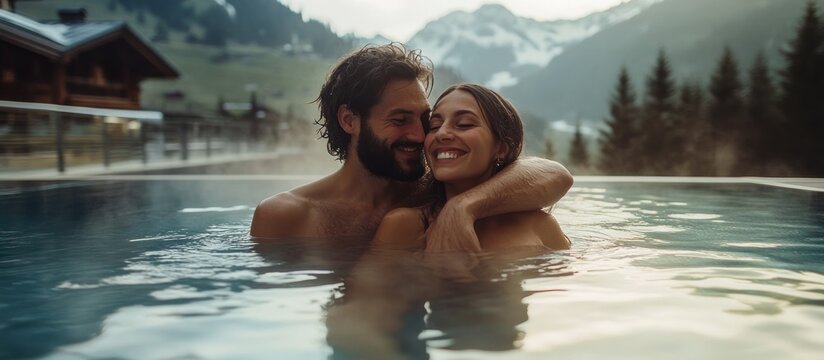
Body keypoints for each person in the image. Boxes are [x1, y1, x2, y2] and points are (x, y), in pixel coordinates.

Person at [250, 44, 572, 250]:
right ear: (350, 120)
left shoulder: (434, 194)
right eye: (400, 119)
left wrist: (463, 208)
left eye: (424, 120)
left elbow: (555, 175)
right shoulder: (286, 216)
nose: (421, 136)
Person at [373, 83, 570, 251]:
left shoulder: (539, 226)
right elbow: (368, 295)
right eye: (434, 126)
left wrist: (460, 208)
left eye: (464, 124)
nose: (442, 134)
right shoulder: (403, 226)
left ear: (501, 148)